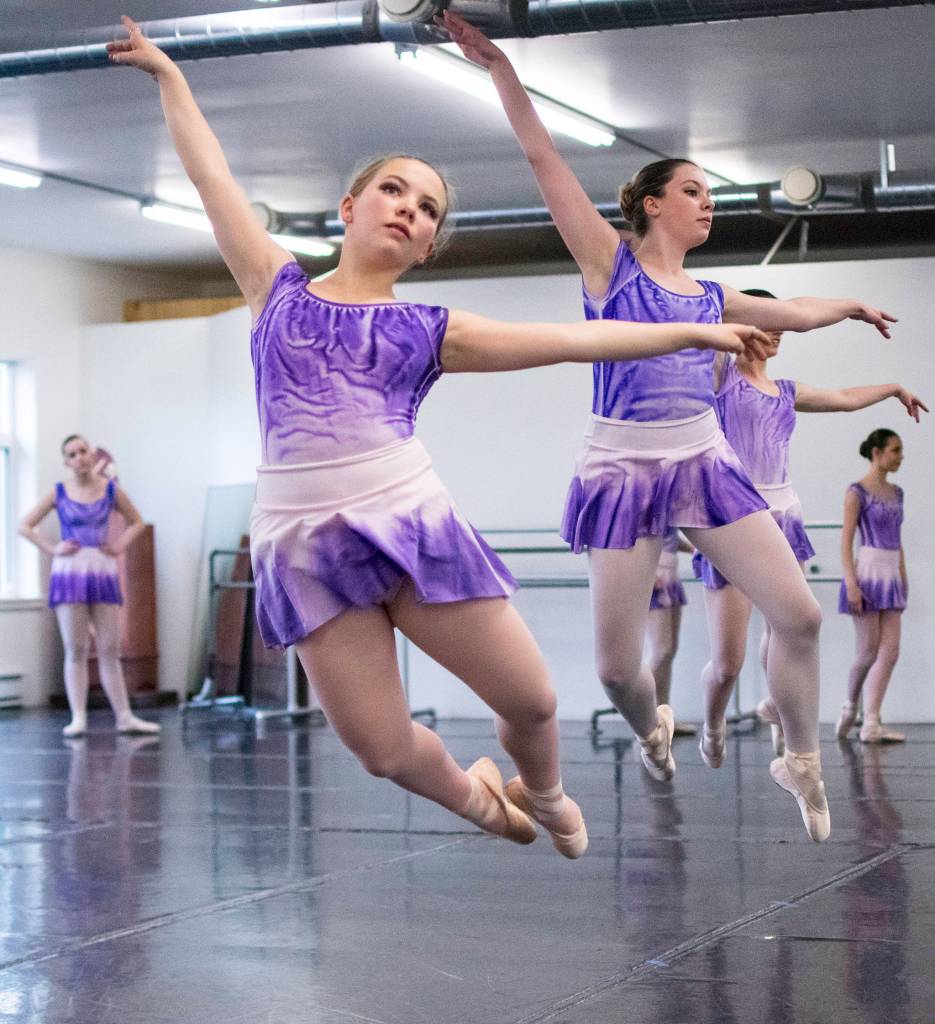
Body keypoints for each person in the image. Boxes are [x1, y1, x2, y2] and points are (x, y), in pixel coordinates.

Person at [105, 17, 769, 858]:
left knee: (530, 700)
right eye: (395, 191)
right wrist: (170, 75)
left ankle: (545, 791)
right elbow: (209, 177)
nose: (409, 210)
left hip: (408, 522)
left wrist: (692, 333)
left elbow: (573, 340)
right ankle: (486, 806)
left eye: (427, 211)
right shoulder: (275, 289)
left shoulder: (431, 327)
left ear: (424, 249)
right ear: (350, 207)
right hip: (306, 544)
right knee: (379, 747)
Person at [442, 12, 898, 841]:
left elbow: (790, 309)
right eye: (693, 190)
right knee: (619, 668)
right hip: (621, 469)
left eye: (710, 195)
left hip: (701, 460)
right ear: (652, 203)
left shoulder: (711, 294)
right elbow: (544, 159)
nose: (707, 205)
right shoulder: (607, 266)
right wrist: (501, 69)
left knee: (797, 615)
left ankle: (798, 758)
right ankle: (651, 725)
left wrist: (850, 305)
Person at [691, 290, 925, 765]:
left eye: (780, 323)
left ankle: (778, 706)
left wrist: (893, 388)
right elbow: (707, 318)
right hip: (734, 519)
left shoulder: (786, 392)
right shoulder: (718, 376)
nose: (777, 330)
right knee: (728, 663)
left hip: (784, 518)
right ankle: (713, 721)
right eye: (767, 321)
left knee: (790, 627)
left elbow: (842, 398)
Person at [19, 434, 161, 737]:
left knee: (109, 648)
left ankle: (124, 717)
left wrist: (119, 545)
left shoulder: (111, 490)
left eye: (83, 451)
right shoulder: (58, 492)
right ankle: (78, 717)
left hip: (102, 569)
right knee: (76, 647)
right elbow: (25, 525)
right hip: (69, 571)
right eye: (72, 454)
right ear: (66, 462)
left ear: (93, 454)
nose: (80, 457)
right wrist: (52, 548)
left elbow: (137, 521)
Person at [838, 429, 910, 743]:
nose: (900, 456)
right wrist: (851, 582)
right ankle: (850, 706)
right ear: (877, 453)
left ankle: (871, 722)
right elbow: (846, 541)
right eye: (895, 450)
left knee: (890, 652)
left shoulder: (897, 493)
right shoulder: (857, 491)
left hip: (891, 572)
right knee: (867, 652)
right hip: (867, 571)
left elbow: (898, 539)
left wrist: (903, 576)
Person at [647, 529, 696, 736]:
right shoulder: (642, 500)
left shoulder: (665, 502)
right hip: (654, 572)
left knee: (669, 652)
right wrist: (647, 571)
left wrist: (697, 548)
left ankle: (663, 718)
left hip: (669, 574)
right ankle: (646, 722)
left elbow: (670, 536)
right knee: (661, 651)